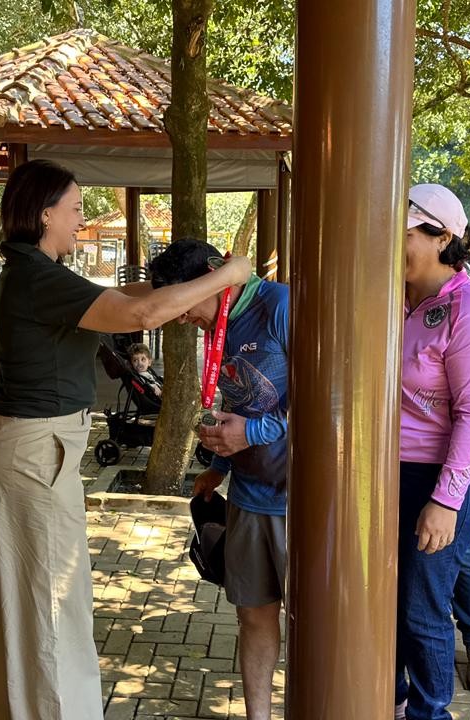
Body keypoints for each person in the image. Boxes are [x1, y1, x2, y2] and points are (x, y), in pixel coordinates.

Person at [0, 159, 250, 720]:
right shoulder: (37, 276)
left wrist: (183, 283)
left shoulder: (33, 270)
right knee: (53, 607)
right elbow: (139, 313)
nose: (80, 220)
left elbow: (130, 294)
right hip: (34, 454)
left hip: (23, 448)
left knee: (23, 602)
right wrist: (228, 274)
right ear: (45, 214)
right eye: (74, 209)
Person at [150, 239, 289, 720]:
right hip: (248, 495)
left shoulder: (279, 307)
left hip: (298, 499)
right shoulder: (218, 327)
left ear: (215, 278)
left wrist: (252, 432)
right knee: (253, 614)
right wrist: (220, 465)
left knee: (312, 622)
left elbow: (325, 397)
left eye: (184, 302)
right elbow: (236, 401)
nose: (181, 316)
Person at [395, 184, 470, 719]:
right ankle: (391, 701)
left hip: (445, 477)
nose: (391, 246)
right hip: (392, 470)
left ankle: (431, 712)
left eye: (404, 235)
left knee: (422, 607)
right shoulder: (396, 298)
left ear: (442, 238)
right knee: (389, 598)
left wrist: (445, 502)